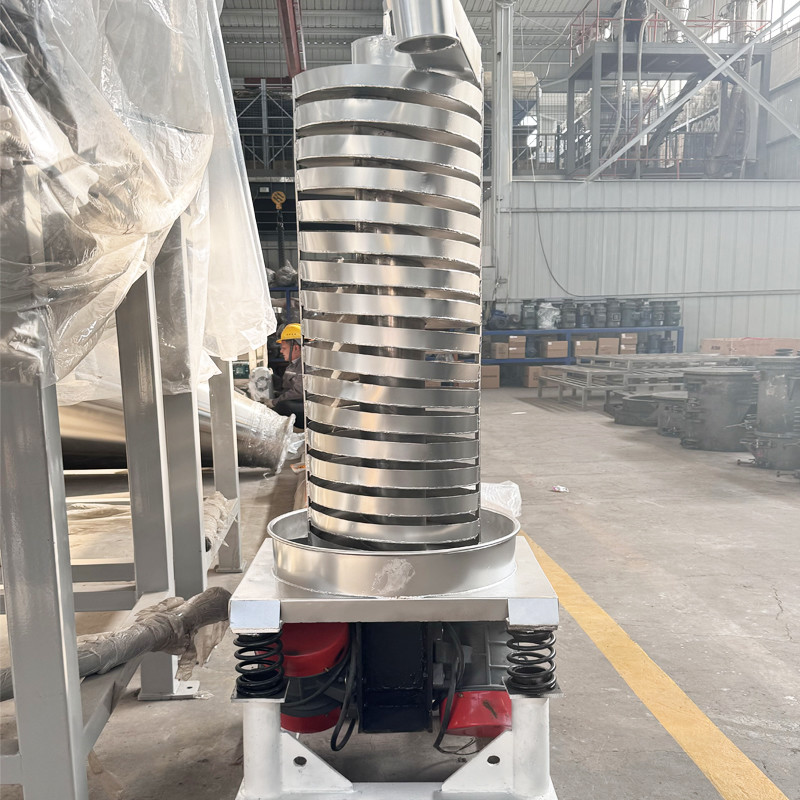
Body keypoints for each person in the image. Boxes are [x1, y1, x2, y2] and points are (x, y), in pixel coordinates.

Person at [268, 322, 305, 429]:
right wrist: (272, 378)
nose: (281, 351)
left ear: (296, 348)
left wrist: (274, 402)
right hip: (298, 404)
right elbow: (288, 385)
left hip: (305, 408)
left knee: (282, 406)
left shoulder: (305, 366)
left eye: (284, 348)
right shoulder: (294, 364)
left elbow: (298, 392)